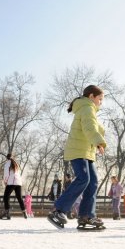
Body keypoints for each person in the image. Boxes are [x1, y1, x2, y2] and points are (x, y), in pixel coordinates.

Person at [47, 85, 106, 229]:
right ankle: (58, 209)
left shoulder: (89, 109)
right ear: (91, 96)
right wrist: (99, 142)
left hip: (87, 152)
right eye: (100, 99)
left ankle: (86, 216)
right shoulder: (87, 108)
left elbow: (93, 127)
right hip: (78, 151)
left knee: (92, 183)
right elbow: (89, 128)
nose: (101, 102)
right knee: (83, 179)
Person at [0, 153, 26, 220]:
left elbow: (6, 174)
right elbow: (19, 173)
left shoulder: (8, 163)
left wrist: (5, 181)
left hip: (11, 182)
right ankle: (24, 211)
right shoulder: (16, 163)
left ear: (7, 158)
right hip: (18, 182)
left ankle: (7, 212)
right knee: (19, 197)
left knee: (6, 197)